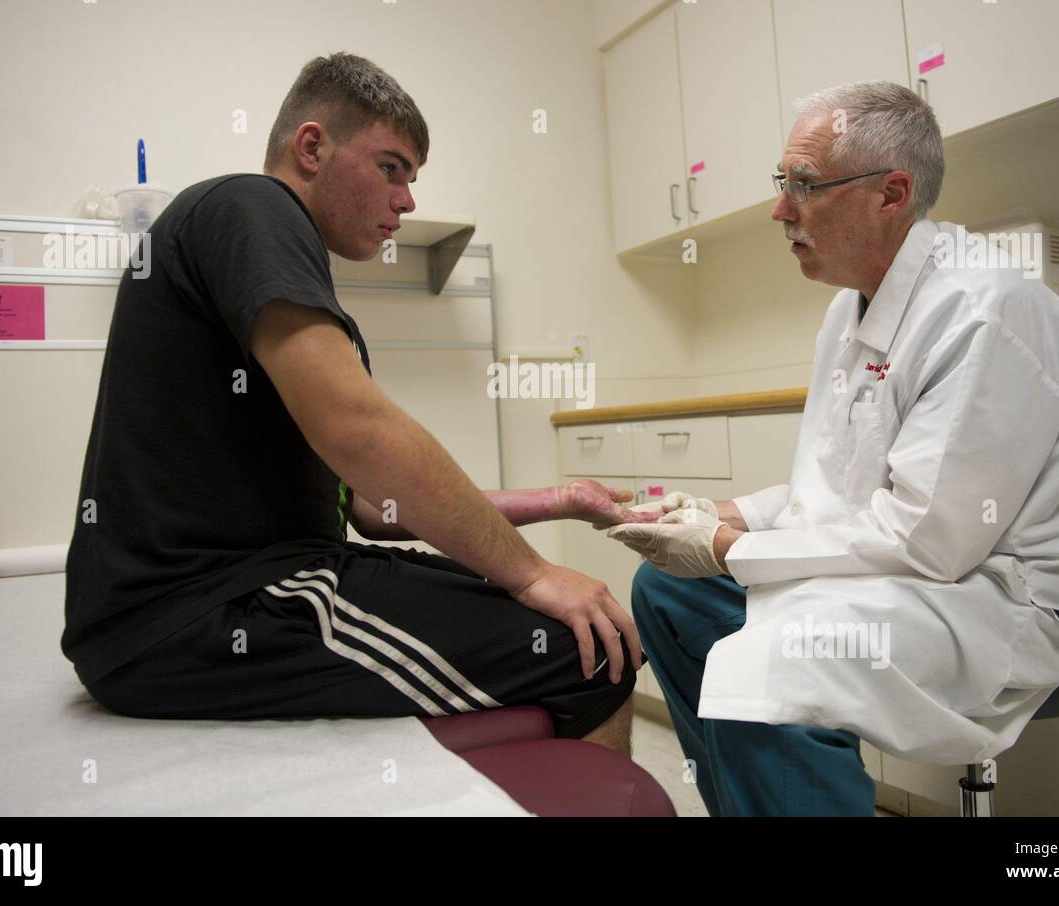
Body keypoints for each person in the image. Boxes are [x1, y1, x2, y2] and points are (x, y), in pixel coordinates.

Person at [63, 52, 649, 755]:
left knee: (569, 627)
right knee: (585, 649)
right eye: (391, 168)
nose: (406, 200)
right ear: (311, 147)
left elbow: (372, 510)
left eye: (412, 179)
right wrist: (535, 572)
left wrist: (559, 499)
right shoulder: (251, 205)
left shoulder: (279, 284)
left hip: (219, 600)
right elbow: (360, 433)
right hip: (195, 614)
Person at [608, 80, 1059, 815]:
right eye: (781, 182)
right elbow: (832, 492)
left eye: (805, 185)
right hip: (920, 570)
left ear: (891, 194)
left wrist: (727, 545)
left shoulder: (982, 312)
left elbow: (927, 540)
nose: (779, 209)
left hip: (1012, 594)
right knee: (669, 593)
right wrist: (713, 511)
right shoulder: (846, 311)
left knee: (783, 664)